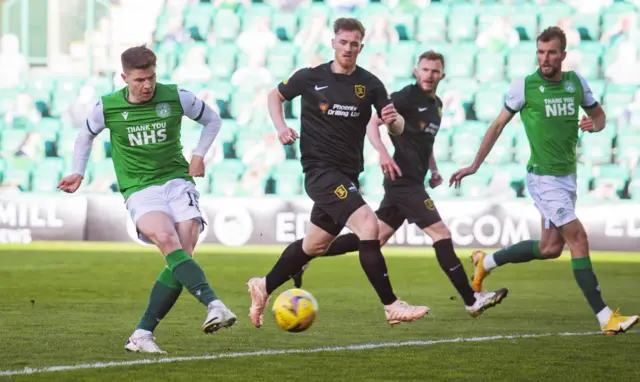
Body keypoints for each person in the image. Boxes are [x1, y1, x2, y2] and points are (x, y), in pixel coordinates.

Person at [449, 27, 639, 336]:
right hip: (542, 178)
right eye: (540, 51)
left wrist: (596, 125)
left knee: (551, 248)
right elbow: (497, 125)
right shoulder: (524, 87)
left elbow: (600, 116)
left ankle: (487, 262)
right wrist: (474, 165)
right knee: (579, 238)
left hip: (567, 177)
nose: (545, 58)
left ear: (563, 55)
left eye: (551, 52)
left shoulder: (575, 83)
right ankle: (606, 317)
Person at [291, 51, 509, 317]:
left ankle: (303, 257)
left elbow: (424, 142)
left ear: (442, 75)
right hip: (403, 181)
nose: (429, 75)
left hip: (414, 179)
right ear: (417, 71)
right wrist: (383, 153)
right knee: (440, 233)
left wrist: (434, 168)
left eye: (435, 71)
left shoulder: (437, 104)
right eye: (425, 70)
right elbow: (374, 123)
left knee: (373, 239)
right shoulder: (406, 97)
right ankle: (471, 298)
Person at [247, 18, 429, 328]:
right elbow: (274, 96)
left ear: (361, 46)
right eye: (343, 42)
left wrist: (393, 120)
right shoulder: (309, 77)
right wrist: (280, 128)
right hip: (321, 172)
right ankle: (391, 305)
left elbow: (395, 126)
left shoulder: (371, 84)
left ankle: (263, 286)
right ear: (333, 43)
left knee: (315, 246)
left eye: (354, 43)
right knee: (369, 227)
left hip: (348, 175)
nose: (347, 48)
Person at [57, 45, 237, 354]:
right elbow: (85, 135)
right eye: (140, 80)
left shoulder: (175, 96)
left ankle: (142, 334)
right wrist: (78, 171)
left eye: (151, 78)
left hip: (178, 182)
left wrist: (198, 155)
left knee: (183, 256)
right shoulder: (108, 106)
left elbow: (213, 120)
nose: (147, 86)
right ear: (125, 77)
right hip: (140, 188)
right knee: (168, 240)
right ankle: (214, 304)